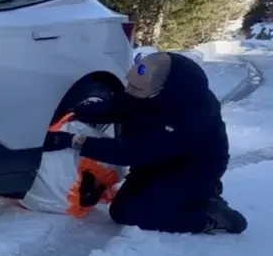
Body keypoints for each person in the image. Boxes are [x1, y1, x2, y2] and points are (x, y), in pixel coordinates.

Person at [43, 51, 247, 234]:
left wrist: (75, 141)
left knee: (128, 213)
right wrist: (77, 112)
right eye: (129, 84)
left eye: (135, 89)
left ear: (161, 91)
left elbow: (130, 152)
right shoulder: (152, 87)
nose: (128, 90)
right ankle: (197, 194)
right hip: (157, 158)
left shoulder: (189, 117)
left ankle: (207, 217)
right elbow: (121, 105)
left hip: (191, 168)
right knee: (128, 202)